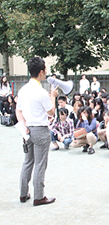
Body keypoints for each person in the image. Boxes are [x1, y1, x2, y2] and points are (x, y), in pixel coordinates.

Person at [16, 57, 57, 206]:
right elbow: (51, 112)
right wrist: (52, 97)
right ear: (41, 72)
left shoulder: (23, 90)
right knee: (40, 163)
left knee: (28, 162)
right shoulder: (40, 91)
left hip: (27, 129)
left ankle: (23, 193)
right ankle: (39, 196)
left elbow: (18, 110)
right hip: (40, 129)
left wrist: (24, 125)